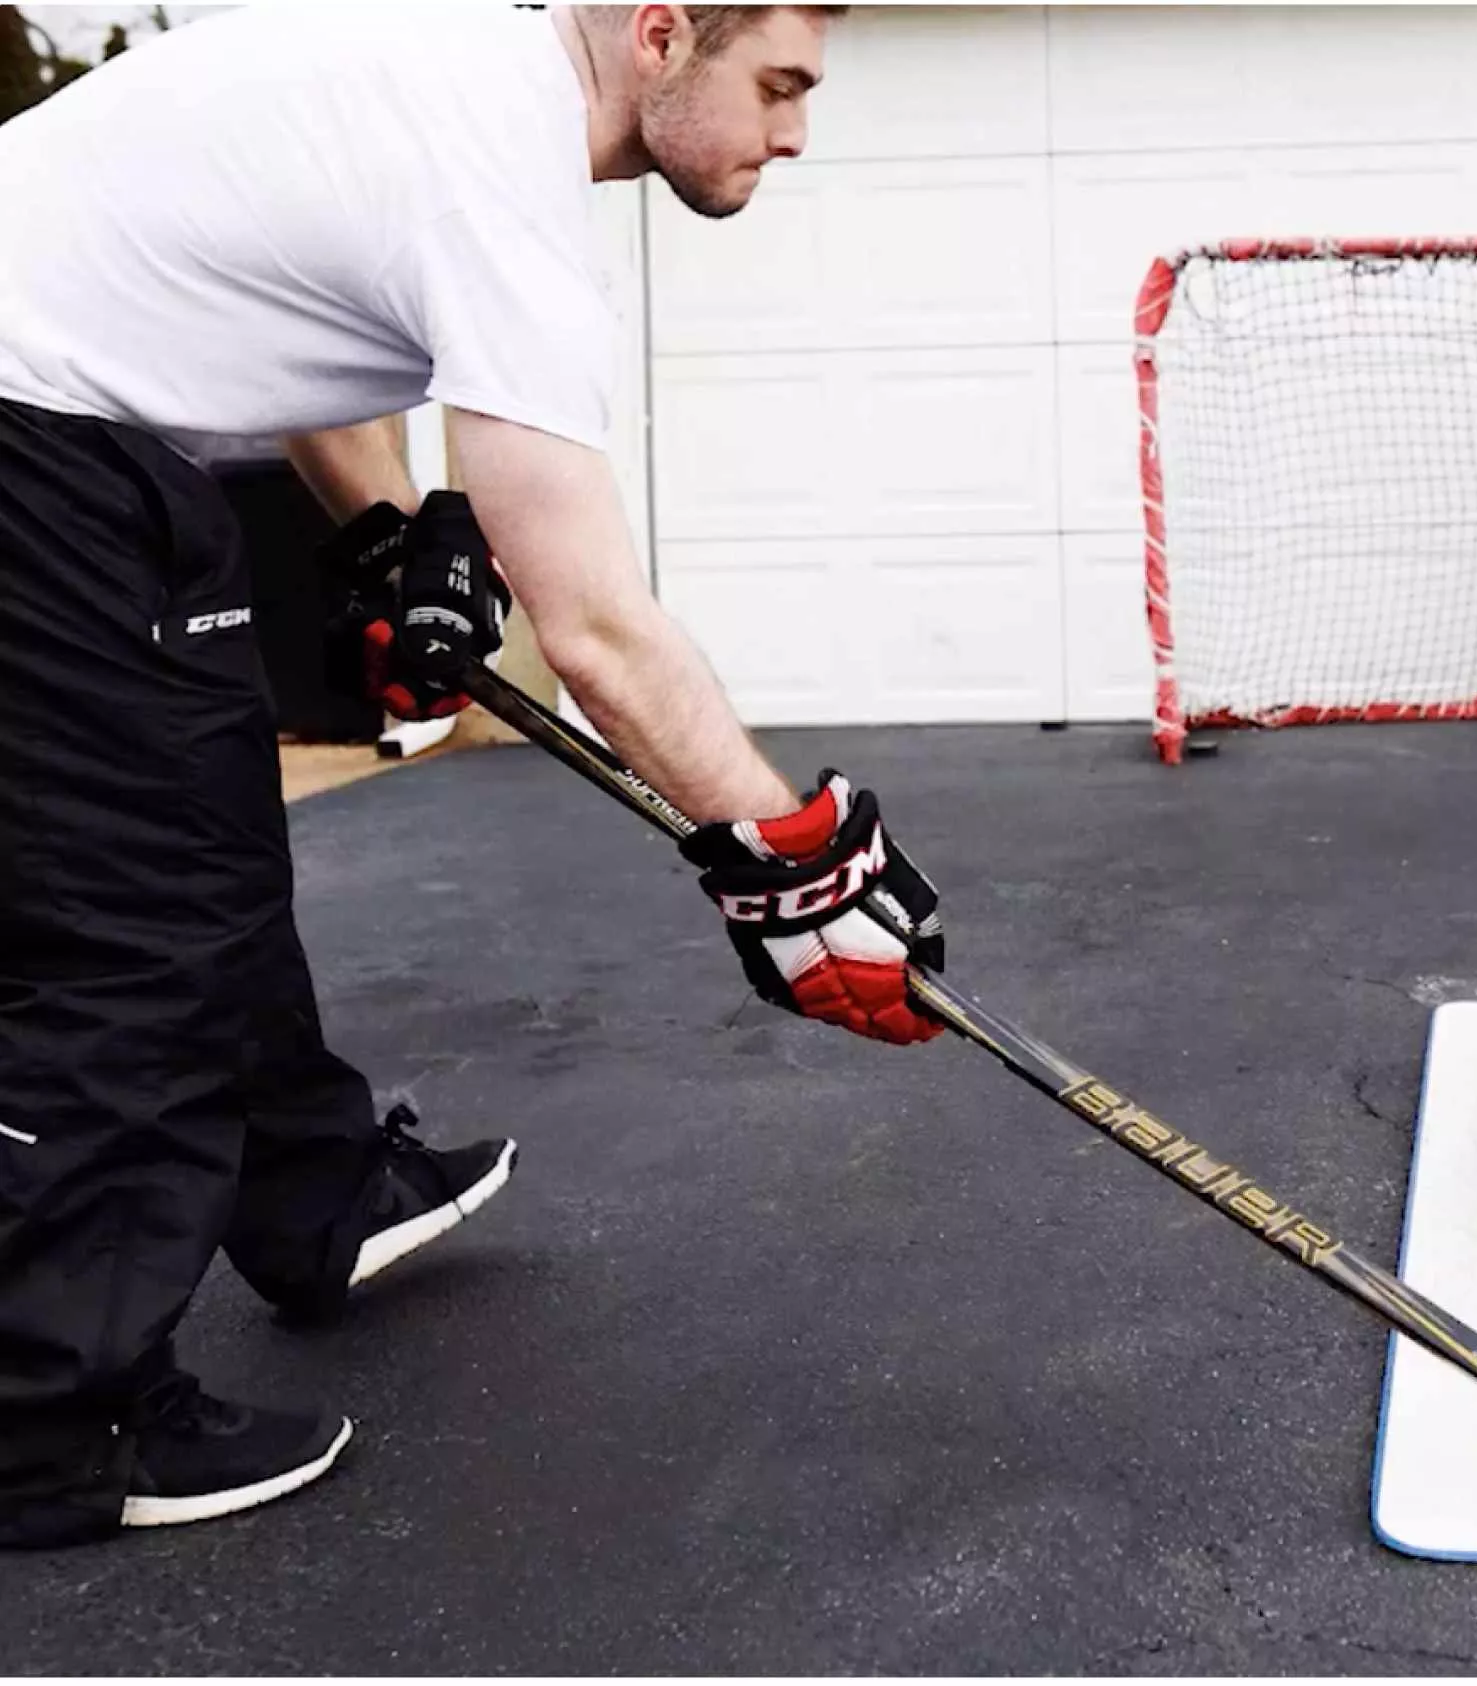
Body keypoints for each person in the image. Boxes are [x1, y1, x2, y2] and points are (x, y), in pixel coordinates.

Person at [0, 3, 945, 1552]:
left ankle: (313, 1197)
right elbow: (595, 627)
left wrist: (378, 526)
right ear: (658, 36)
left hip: (79, 439)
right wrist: (785, 859)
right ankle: (47, 1426)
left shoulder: (440, 87)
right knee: (137, 918)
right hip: (39, 444)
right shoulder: (503, 175)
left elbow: (266, 301)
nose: (793, 133)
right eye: (777, 85)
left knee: (206, 831)